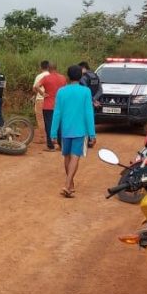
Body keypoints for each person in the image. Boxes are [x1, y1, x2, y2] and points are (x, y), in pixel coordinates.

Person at [50, 65, 96, 198]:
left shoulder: (61, 92)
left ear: (68, 76)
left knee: (67, 157)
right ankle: (67, 183)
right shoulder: (86, 91)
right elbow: (88, 113)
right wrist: (92, 133)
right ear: (81, 76)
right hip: (80, 130)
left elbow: (57, 113)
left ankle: (70, 185)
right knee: (75, 157)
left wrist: (53, 133)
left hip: (65, 130)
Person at [38, 62, 67, 151]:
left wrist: (42, 93)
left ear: (48, 69)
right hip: (60, 105)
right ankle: (61, 145)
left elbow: (36, 86)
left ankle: (51, 146)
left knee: (49, 125)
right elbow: (65, 89)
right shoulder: (63, 78)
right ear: (56, 68)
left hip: (48, 105)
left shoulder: (46, 78)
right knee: (60, 125)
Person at [32, 61, 51, 144]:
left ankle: (42, 137)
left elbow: (34, 88)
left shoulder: (39, 76)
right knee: (50, 118)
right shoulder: (51, 76)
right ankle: (52, 138)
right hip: (51, 100)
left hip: (40, 99)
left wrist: (40, 93)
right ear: (49, 67)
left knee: (40, 118)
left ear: (41, 67)